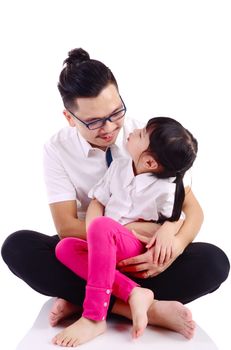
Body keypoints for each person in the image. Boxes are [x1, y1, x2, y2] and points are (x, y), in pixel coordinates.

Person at [1, 48, 229, 339]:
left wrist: (173, 241)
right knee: (19, 247)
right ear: (70, 118)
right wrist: (117, 233)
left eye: (115, 113)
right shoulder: (56, 150)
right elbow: (66, 226)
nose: (109, 128)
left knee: (214, 262)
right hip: (90, 251)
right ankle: (142, 306)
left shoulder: (148, 139)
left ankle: (87, 299)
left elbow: (189, 209)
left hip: (144, 257)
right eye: (94, 122)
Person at [52, 116, 197, 347]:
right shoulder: (119, 166)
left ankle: (94, 315)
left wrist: (169, 233)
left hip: (134, 248)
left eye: (140, 134)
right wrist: (94, 233)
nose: (133, 131)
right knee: (64, 247)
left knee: (210, 261)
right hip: (105, 243)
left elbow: (178, 217)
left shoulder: (166, 188)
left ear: (150, 163)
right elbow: (98, 202)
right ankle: (134, 294)